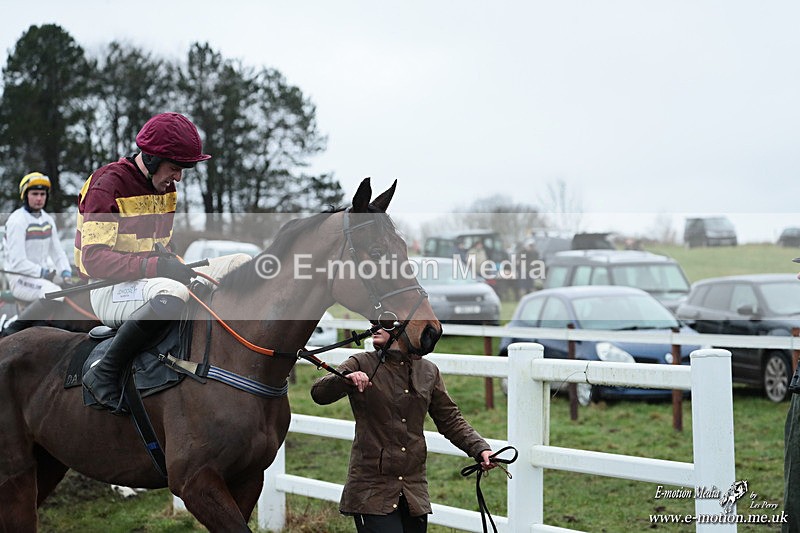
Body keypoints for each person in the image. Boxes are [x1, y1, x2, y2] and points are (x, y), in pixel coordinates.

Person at [78, 112, 251, 414]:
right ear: (152, 157)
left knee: (242, 263)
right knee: (173, 294)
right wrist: (157, 268)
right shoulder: (107, 185)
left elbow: (162, 247)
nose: (179, 178)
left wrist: (176, 265)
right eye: (175, 168)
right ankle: (103, 371)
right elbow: (93, 260)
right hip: (108, 288)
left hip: (147, 281)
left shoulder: (166, 189)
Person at [311, 327, 495, 532]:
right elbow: (319, 394)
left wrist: (480, 449)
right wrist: (344, 379)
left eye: (386, 323)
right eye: (375, 322)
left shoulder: (428, 371)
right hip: (371, 490)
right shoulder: (361, 362)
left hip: (413, 491)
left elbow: (450, 419)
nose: (375, 327)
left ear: (409, 329)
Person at [1, 172, 74, 335]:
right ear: (25, 196)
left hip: (42, 278)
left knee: (70, 291)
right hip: (20, 279)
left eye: (42, 194)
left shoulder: (48, 220)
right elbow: (18, 263)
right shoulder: (17, 221)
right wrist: (47, 274)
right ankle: (11, 330)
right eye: (34, 194)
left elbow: (58, 252)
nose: (39, 198)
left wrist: (66, 272)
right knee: (53, 292)